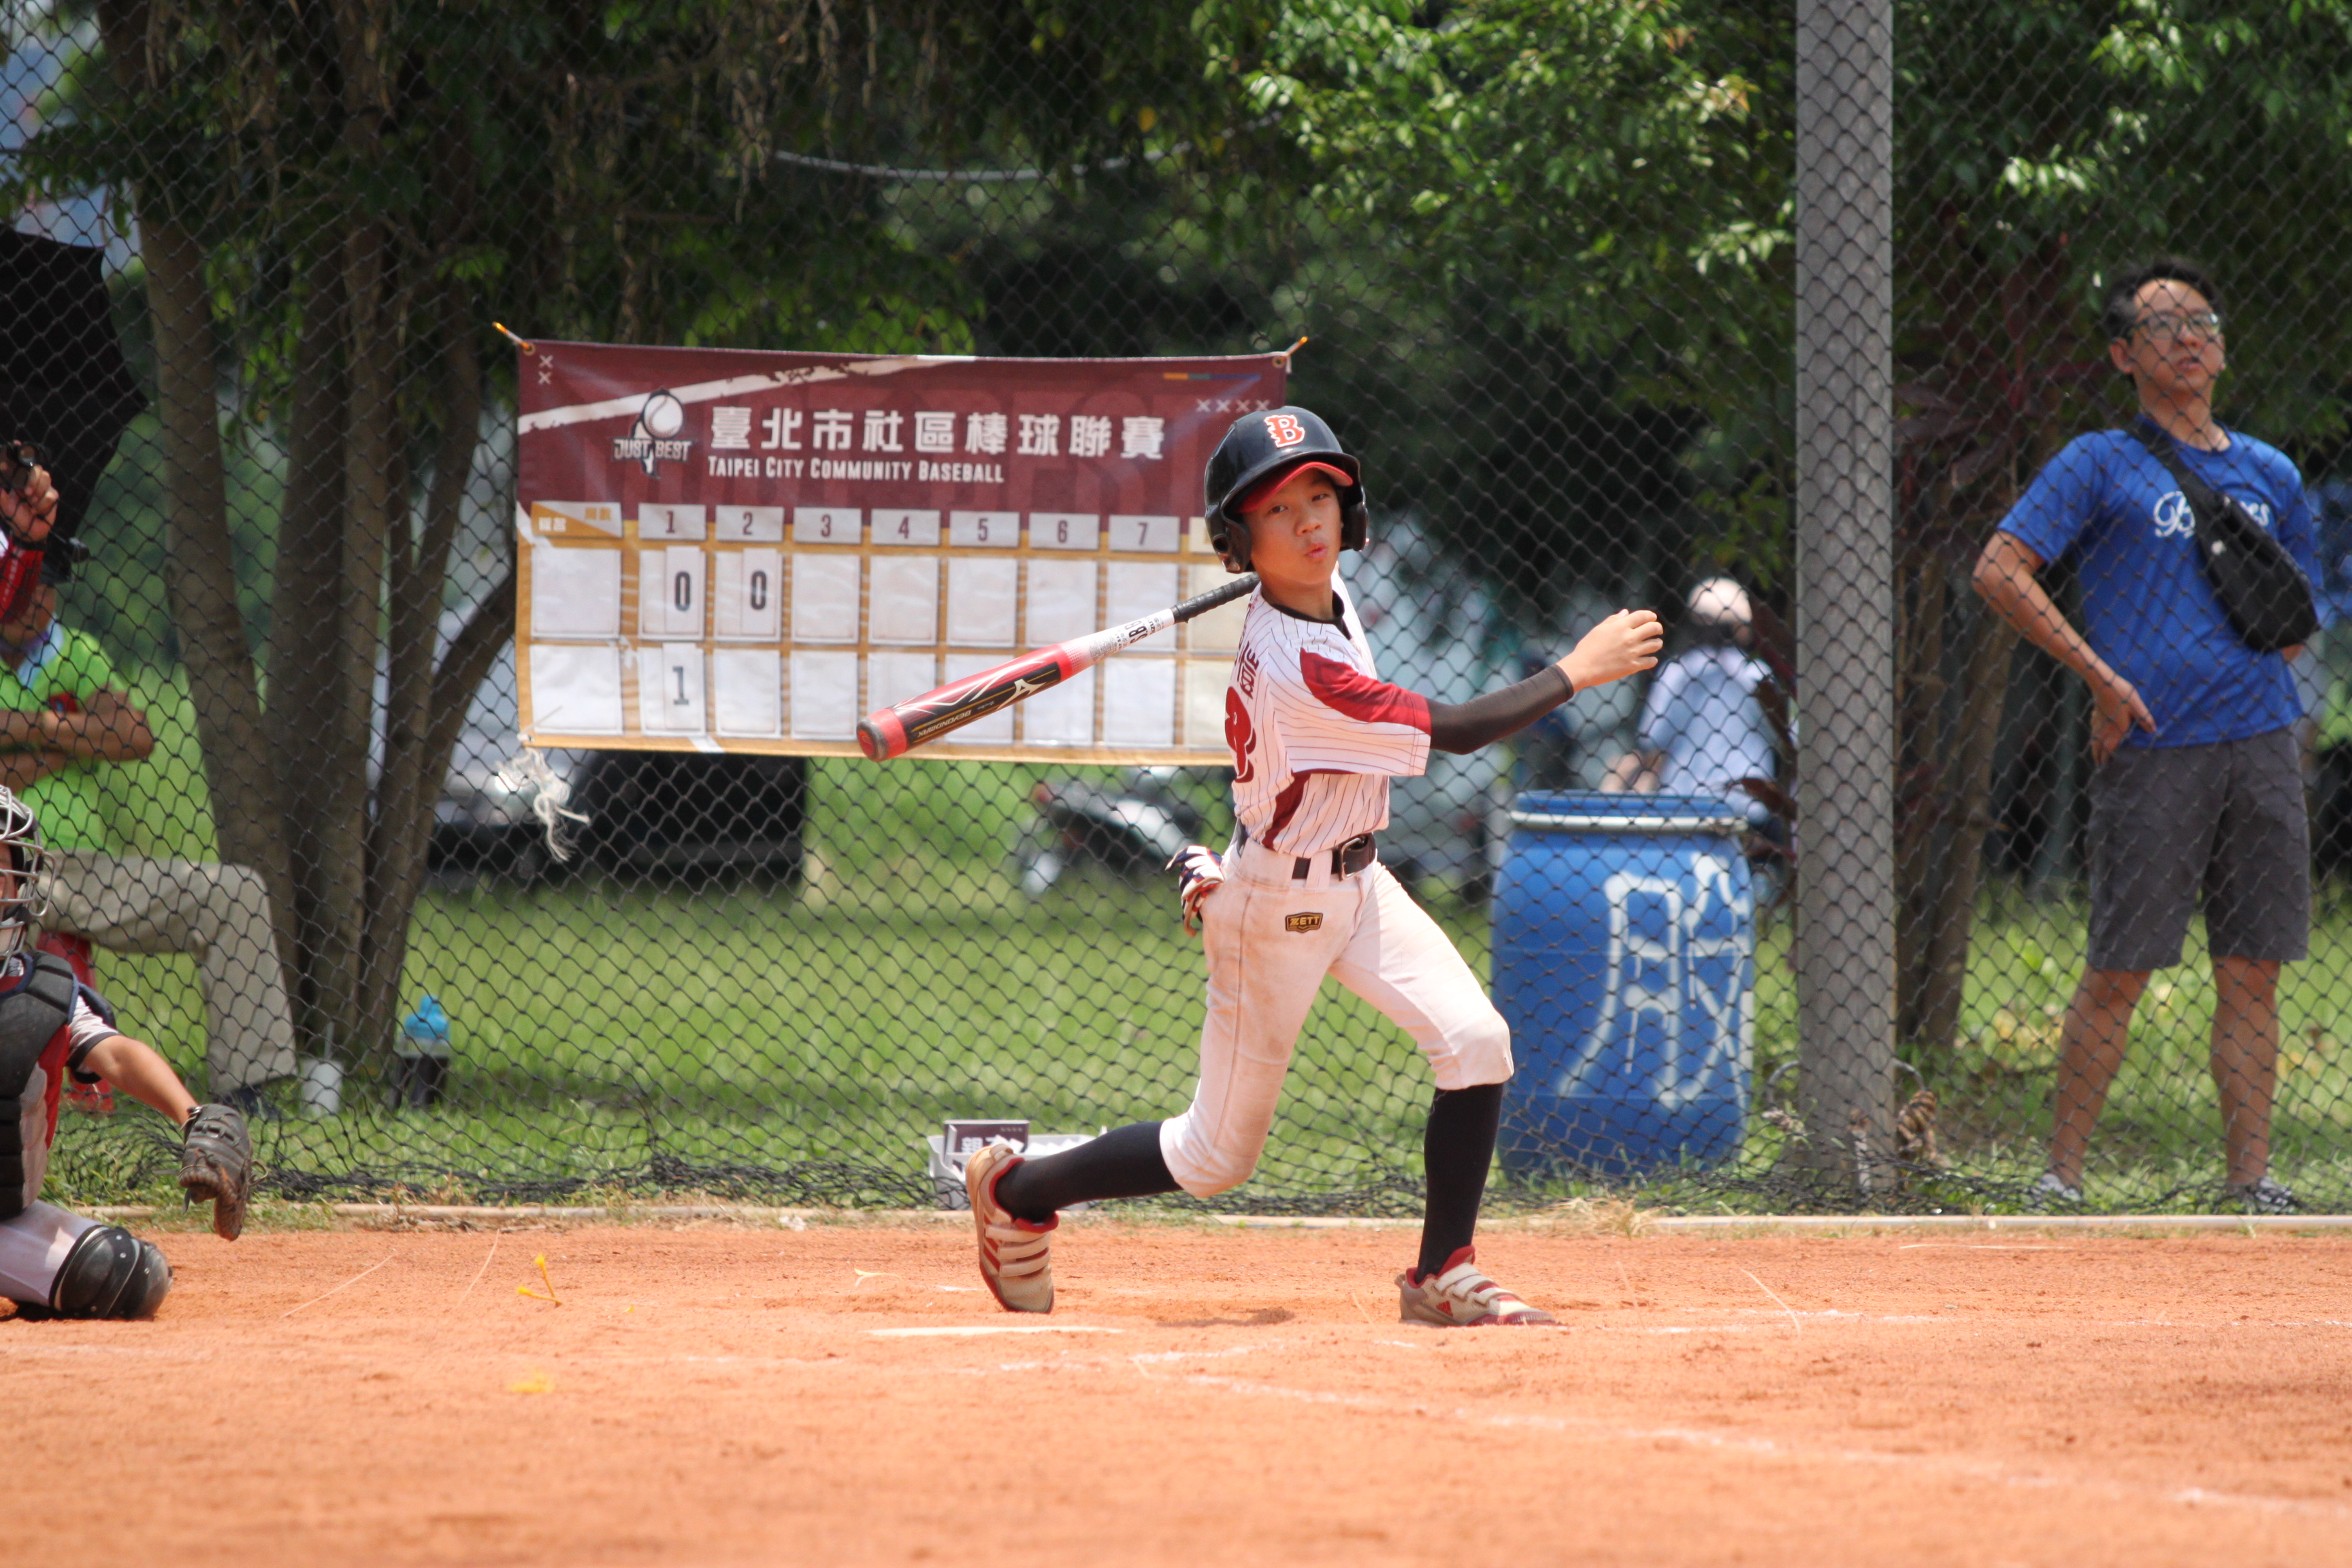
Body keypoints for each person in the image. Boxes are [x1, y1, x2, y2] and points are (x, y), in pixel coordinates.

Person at [963, 406, 1663, 1323]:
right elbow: (1456, 733)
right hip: (1274, 908)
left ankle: (1442, 1273)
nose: (1308, 524)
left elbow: (1325, 603)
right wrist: (1576, 670)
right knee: (1216, 1158)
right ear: (1240, 540)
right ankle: (1017, 1192)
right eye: (1278, 510)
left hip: (1361, 884)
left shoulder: (1318, 595)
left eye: (1321, 498)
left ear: (1349, 510)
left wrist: (1272, 560)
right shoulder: (1302, 669)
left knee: (1477, 1043)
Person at [1973, 257, 2319, 1213]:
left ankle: (2250, 1181)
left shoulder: (2271, 473)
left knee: (2252, 969)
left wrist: (2233, 677)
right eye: (2163, 327)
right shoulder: (2098, 462)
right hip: (2153, 745)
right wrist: (2101, 677)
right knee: (2120, 968)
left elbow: (2294, 615)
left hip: (2261, 742)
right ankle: (2062, 1178)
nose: (2190, 341)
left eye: (2203, 323)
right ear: (2124, 354)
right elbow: (1999, 569)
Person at [0, 580, 298, 1107]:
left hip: (87, 871)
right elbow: (94, 738)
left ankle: (245, 1089)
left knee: (236, 892)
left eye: (45, 586)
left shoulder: (76, 652)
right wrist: (71, 742)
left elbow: (133, 735)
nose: (36, 600)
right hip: (10, 873)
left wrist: (30, 728)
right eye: (21, 586)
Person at [0, 786, 252, 1320]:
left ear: (21, 885)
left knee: (124, 1275)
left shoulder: (40, 990)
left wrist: (192, 1116)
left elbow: (115, 1056)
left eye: (0, 867)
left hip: (5, 1217)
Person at [1603, 577, 1780, 822]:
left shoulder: (1677, 672)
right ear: (1740, 626)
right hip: (1746, 806)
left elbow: (1652, 737)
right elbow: (1783, 735)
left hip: (1684, 805)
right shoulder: (1755, 675)